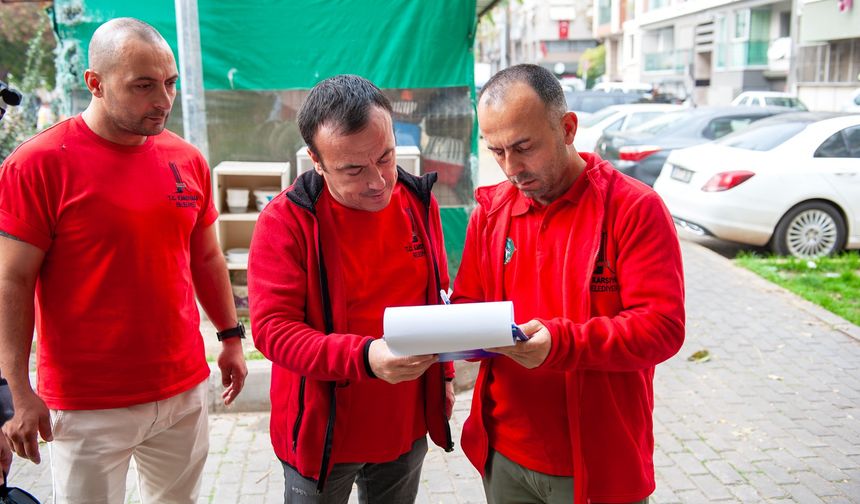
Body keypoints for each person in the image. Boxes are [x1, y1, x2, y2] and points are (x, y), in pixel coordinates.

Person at [0, 18, 247, 503]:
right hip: (87, 404)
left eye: (170, 82)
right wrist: (19, 390)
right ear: (94, 83)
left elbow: (206, 257)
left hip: (182, 391)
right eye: (143, 86)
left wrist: (231, 336)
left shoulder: (186, 159)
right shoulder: (38, 164)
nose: (163, 99)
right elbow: (12, 280)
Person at [453, 64, 685, 504]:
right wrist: (442, 337)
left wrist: (562, 343)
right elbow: (468, 302)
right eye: (497, 151)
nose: (511, 168)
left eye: (523, 147)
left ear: (568, 127)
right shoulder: (490, 212)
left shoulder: (634, 209)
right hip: (504, 454)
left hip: (599, 461)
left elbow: (662, 328)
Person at [247, 74, 454, 503]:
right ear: (316, 161)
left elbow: (438, 296)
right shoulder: (287, 221)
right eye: (353, 169)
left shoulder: (419, 201)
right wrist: (364, 357)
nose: (378, 180)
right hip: (324, 435)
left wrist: (445, 375)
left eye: (386, 156)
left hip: (404, 424)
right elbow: (272, 330)